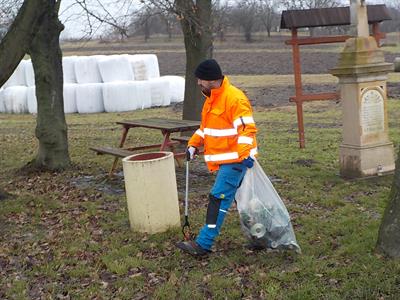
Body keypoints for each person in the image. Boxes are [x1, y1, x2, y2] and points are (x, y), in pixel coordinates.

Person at [176, 59, 258, 257]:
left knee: (218, 199)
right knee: (244, 200)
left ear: (211, 79)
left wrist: (244, 154)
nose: (198, 83)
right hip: (226, 161)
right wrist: (194, 144)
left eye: (200, 79)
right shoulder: (211, 99)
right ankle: (263, 234)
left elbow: (247, 129)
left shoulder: (234, 99)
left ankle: (203, 244)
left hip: (236, 161)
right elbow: (206, 129)